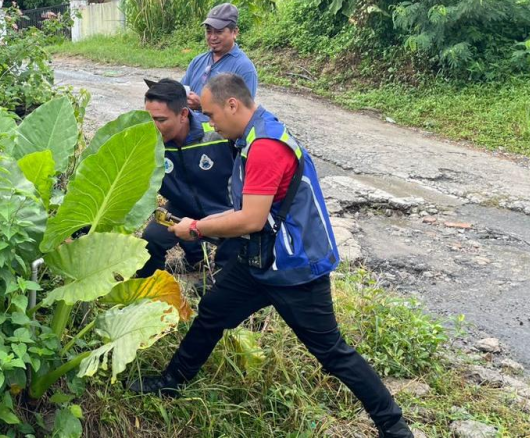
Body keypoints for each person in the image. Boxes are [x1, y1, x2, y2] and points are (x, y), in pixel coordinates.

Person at [127, 74, 414, 438]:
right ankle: (172, 381)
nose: (209, 123)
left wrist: (196, 228)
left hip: (295, 267)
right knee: (212, 312)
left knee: (331, 352)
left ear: (233, 105)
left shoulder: (264, 146)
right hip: (260, 258)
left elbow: (251, 218)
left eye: (211, 114)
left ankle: (394, 427)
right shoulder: (253, 133)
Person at [138, 79, 243, 280]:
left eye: (161, 120)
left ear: (183, 114)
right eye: (149, 119)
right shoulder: (149, 143)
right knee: (151, 239)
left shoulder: (217, 134)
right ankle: (151, 285)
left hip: (223, 207)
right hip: (182, 207)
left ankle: (216, 278)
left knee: (224, 272)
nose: (154, 127)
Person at [182, 3, 258, 111]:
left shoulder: (244, 68)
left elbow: (243, 113)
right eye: (208, 31)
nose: (212, 37)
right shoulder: (198, 61)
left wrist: (203, 106)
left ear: (234, 32)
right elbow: (180, 92)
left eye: (219, 31)